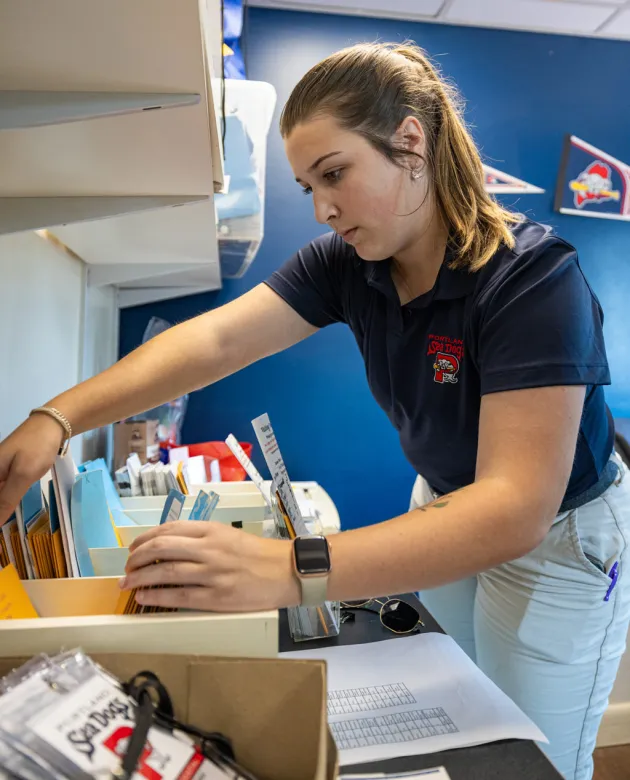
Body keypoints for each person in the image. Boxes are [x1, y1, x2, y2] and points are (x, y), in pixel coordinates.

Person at [0, 42, 627, 780]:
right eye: (308, 187)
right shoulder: (349, 264)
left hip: (558, 536)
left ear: (411, 142)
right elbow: (217, 341)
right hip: (445, 502)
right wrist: (57, 418)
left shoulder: (531, 279)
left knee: (533, 758)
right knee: (459, 722)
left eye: (335, 174)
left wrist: (289, 568)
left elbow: (515, 509)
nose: (325, 209)